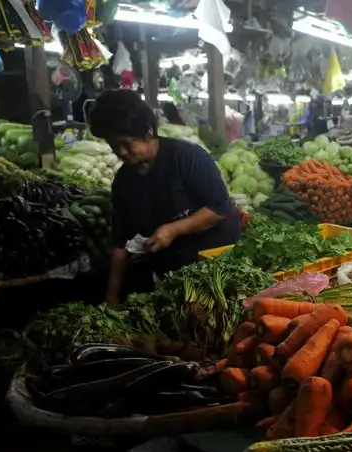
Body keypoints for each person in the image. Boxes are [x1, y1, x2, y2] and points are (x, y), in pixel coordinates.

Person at [89, 89, 241, 305]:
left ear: (148, 131)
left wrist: (174, 229)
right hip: (171, 277)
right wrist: (112, 297)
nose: (121, 152)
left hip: (218, 271)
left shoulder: (187, 158)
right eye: (114, 146)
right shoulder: (123, 182)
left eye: (126, 143)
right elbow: (120, 246)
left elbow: (219, 209)